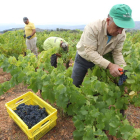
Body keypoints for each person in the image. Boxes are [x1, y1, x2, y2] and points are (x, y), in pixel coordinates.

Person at [71, 4, 135, 87]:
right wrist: (110, 66)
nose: (120, 31)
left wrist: (124, 69)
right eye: (118, 27)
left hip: (100, 62)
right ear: (108, 21)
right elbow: (90, 52)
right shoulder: (93, 27)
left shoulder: (121, 34)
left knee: (96, 88)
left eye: (123, 28)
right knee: (75, 84)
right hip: (83, 59)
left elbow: (117, 53)